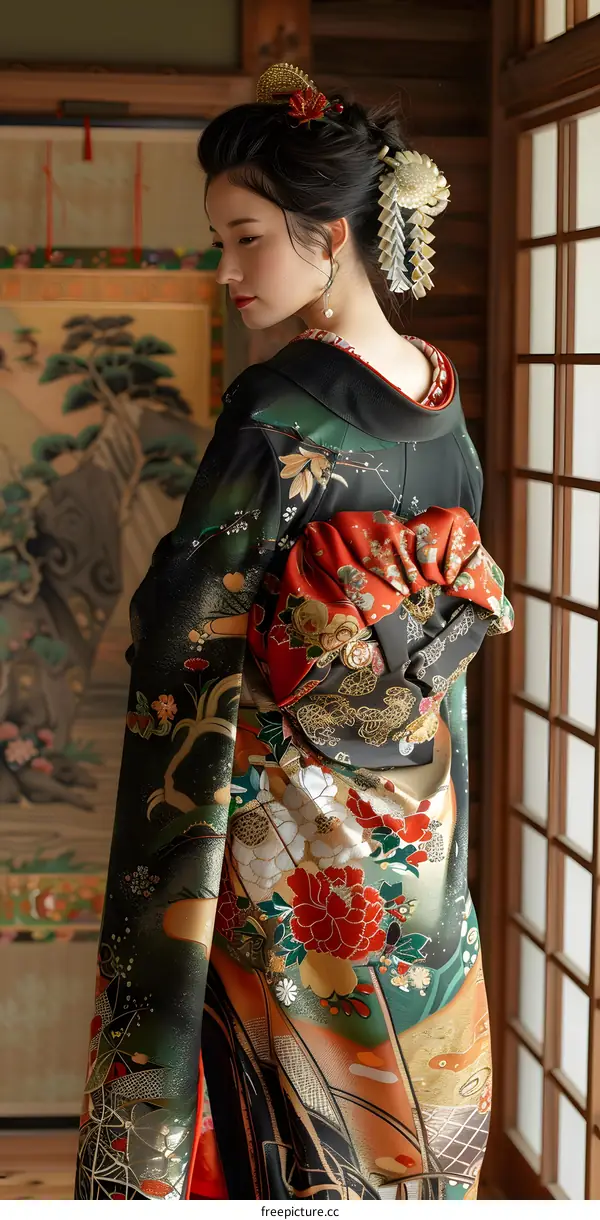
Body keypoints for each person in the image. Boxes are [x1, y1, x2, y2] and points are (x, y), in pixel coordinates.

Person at [75, 64, 513, 1202]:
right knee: (388, 1071)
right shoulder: (438, 389)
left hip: (290, 821)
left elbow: (188, 617)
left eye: (247, 240)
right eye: (220, 241)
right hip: (413, 800)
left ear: (331, 236)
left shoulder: (276, 409)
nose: (226, 270)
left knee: (272, 1084)